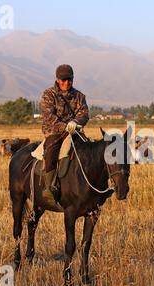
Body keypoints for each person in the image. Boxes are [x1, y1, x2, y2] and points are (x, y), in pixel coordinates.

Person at [41, 64, 89, 202]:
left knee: (90, 150)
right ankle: (49, 187)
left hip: (75, 132)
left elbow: (84, 114)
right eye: (64, 79)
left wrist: (76, 122)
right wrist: (65, 126)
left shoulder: (80, 96)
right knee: (51, 151)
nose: (67, 83)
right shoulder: (48, 95)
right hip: (54, 132)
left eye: (70, 79)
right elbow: (48, 116)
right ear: (57, 80)